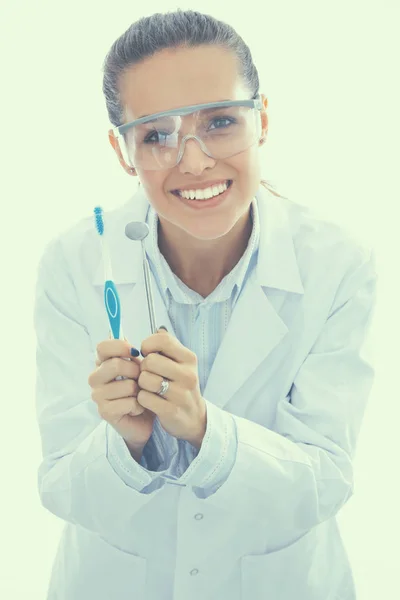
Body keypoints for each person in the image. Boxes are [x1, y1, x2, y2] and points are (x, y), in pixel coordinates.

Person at [34, 9, 378, 600]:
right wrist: (125, 443)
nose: (193, 161)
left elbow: (325, 481)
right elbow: (62, 485)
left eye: (220, 122)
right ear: (124, 151)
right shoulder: (75, 263)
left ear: (262, 119)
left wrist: (204, 429)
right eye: (157, 135)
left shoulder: (337, 264)